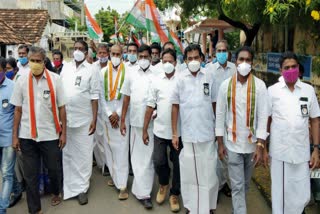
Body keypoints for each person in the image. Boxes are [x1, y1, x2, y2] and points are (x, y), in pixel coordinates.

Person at [10, 46, 66, 214]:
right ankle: (35, 209)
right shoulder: (20, 80)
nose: (35, 64)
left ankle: (56, 191)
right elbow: (18, 110)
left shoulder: (55, 80)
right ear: (28, 60)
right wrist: (15, 136)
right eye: (32, 60)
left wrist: (64, 133)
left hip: (50, 134)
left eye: (38, 61)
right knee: (31, 175)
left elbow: (62, 107)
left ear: (44, 61)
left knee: (53, 169)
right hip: (27, 135)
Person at [215, 46, 268, 214]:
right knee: (237, 186)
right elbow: (220, 115)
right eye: (241, 59)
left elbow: (263, 116)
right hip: (233, 144)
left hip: (252, 146)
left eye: (248, 60)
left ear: (252, 63)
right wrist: (220, 143)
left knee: (244, 185)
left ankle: (237, 209)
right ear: (235, 61)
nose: (244, 63)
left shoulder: (260, 86)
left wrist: (261, 146)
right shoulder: (226, 86)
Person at [267, 51, 320, 214]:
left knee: (301, 195)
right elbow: (266, 120)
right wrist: (262, 145)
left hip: (301, 152)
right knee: (280, 197)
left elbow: (315, 120)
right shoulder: (273, 91)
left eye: (294, 66)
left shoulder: (308, 90)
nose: (291, 70)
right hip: (280, 154)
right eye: (287, 67)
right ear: (281, 70)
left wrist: (316, 149)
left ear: (299, 68)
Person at [171, 44, 219, 214]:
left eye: (196, 57)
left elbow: (215, 104)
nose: (193, 61)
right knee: (190, 173)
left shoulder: (209, 76)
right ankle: (192, 207)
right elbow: (175, 106)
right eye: (189, 58)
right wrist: (175, 134)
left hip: (207, 132)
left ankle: (208, 207)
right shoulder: (179, 78)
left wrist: (217, 130)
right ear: (185, 60)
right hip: (189, 134)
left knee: (209, 173)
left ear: (201, 58)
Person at [60, 40, 100, 205]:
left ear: (86, 52)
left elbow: (95, 96)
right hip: (67, 120)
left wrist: (94, 119)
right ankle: (70, 187)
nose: (77, 51)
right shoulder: (66, 67)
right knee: (68, 154)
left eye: (80, 49)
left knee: (83, 155)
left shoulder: (92, 70)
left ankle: (82, 188)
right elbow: (60, 91)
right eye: (75, 48)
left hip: (85, 119)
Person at [143, 48, 182, 212]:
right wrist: (144, 129)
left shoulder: (182, 80)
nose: (167, 64)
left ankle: (174, 193)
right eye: (164, 61)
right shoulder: (156, 80)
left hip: (179, 132)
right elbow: (150, 105)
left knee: (178, 164)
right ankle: (164, 184)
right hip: (159, 130)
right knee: (159, 161)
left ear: (175, 62)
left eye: (170, 61)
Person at [120, 44, 155, 209]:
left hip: (152, 124)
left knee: (148, 159)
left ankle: (144, 190)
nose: (142, 60)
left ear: (151, 57)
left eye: (145, 57)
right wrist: (122, 120)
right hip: (135, 123)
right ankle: (143, 193)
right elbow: (126, 98)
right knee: (137, 158)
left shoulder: (157, 74)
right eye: (140, 57)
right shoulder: (130, 74)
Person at [100, 44, 129, 200]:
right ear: (110, 54)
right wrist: (109, 114)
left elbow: (127, 96)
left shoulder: (128, 72)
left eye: (119, 54)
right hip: (107, 118)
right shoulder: (103, 72)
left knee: (122, 150)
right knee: (109, 148)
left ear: (122, 54)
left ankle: (122, 185)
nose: (116, 56)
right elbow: (100, 95)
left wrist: (117, 114)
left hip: (122, 117)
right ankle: (115, 176)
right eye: (113, 53)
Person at [208, 40, 236, 197]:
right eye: (219, 50)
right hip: (214, 116)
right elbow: (211, 98)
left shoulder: (234, 69)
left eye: (224, 50)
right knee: (216, 154)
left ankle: (226, 183)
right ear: (214, 52)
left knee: (228, 153)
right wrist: (215, 118)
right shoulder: (210, 70)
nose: (222, 53)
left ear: (228, 52)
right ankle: (216, 187)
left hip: (231, 117)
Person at [0, 57, 16, 213]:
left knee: (6, 173)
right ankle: (17, 190)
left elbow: (18, 113)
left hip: (8, 138)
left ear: (4, 70)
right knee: (5, 170)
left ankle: (1, 208)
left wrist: (16, 137)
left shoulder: (12, 87)